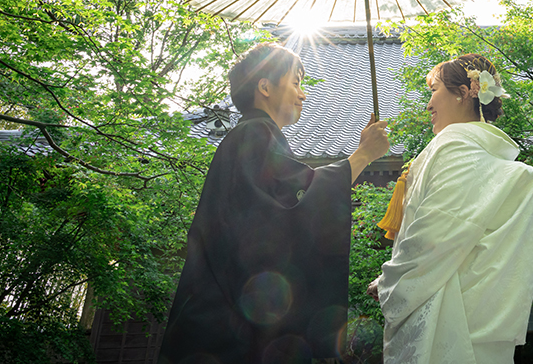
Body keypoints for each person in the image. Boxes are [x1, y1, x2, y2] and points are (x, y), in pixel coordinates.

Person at [158, 42, 389, 364]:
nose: (303, 94)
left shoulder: (252, 136)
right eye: (295, 82)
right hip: (227, 327)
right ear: (264, 87)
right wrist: (363, 155)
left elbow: (287, 205)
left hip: (220, 319)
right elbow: (290, 213)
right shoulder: (253, 135)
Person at [370, 53, 533, 364]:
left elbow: (435, 234)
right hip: (476, 313)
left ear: (464, 92)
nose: (428, 105)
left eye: (434, 90)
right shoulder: (480, 152)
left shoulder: (456, 146)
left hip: (448, 314)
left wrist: (390, 281)